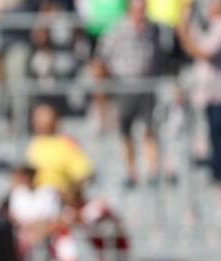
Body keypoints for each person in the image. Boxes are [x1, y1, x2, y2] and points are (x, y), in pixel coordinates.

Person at [94, 0, 166, 187]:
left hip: (147, 85)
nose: (141, 13)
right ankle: (131, 171)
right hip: (124, 85)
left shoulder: (153, 29)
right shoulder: (116, 30)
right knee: (126, 131)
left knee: (150, 129)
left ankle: (152, 170)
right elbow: (101, 58)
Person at [176, 0, 221, 203]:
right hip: (209, 94)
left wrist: (183, 34)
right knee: (213, 137)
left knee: (218, 140)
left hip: (217, 95)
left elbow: (202, 51)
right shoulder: (211, 26)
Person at [25, 103, 93, 202]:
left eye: (42, 116)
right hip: (36, 197)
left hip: (58, 198)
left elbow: (83, 175)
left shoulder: (66, 143)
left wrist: (69, 193)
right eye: (36, 117)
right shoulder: (33, 144)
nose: (37, 121)